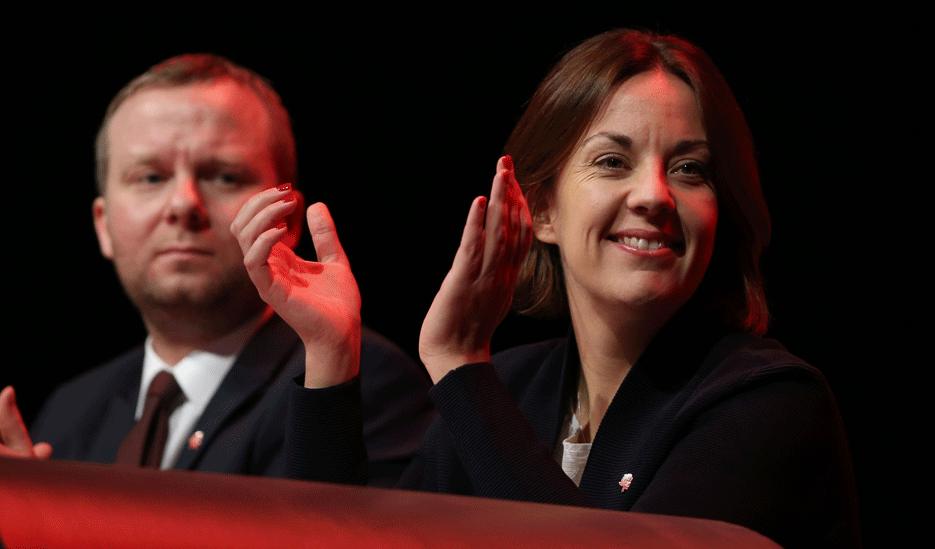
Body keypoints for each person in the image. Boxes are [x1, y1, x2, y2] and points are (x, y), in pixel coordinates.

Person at [236, 30, 860, 546]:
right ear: (540, 210)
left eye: (690, 169)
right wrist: (331, 355)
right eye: (612, 161)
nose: (653, 195)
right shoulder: (505, 388)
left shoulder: (770, 403)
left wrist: (457, 363)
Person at [0, 54, 432, 486]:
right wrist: (34, 521)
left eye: (224, 176)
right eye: (150, 177)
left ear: (289, 219)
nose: (184, 203)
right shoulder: (70, 411)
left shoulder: (354, 380)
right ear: (103, 225)